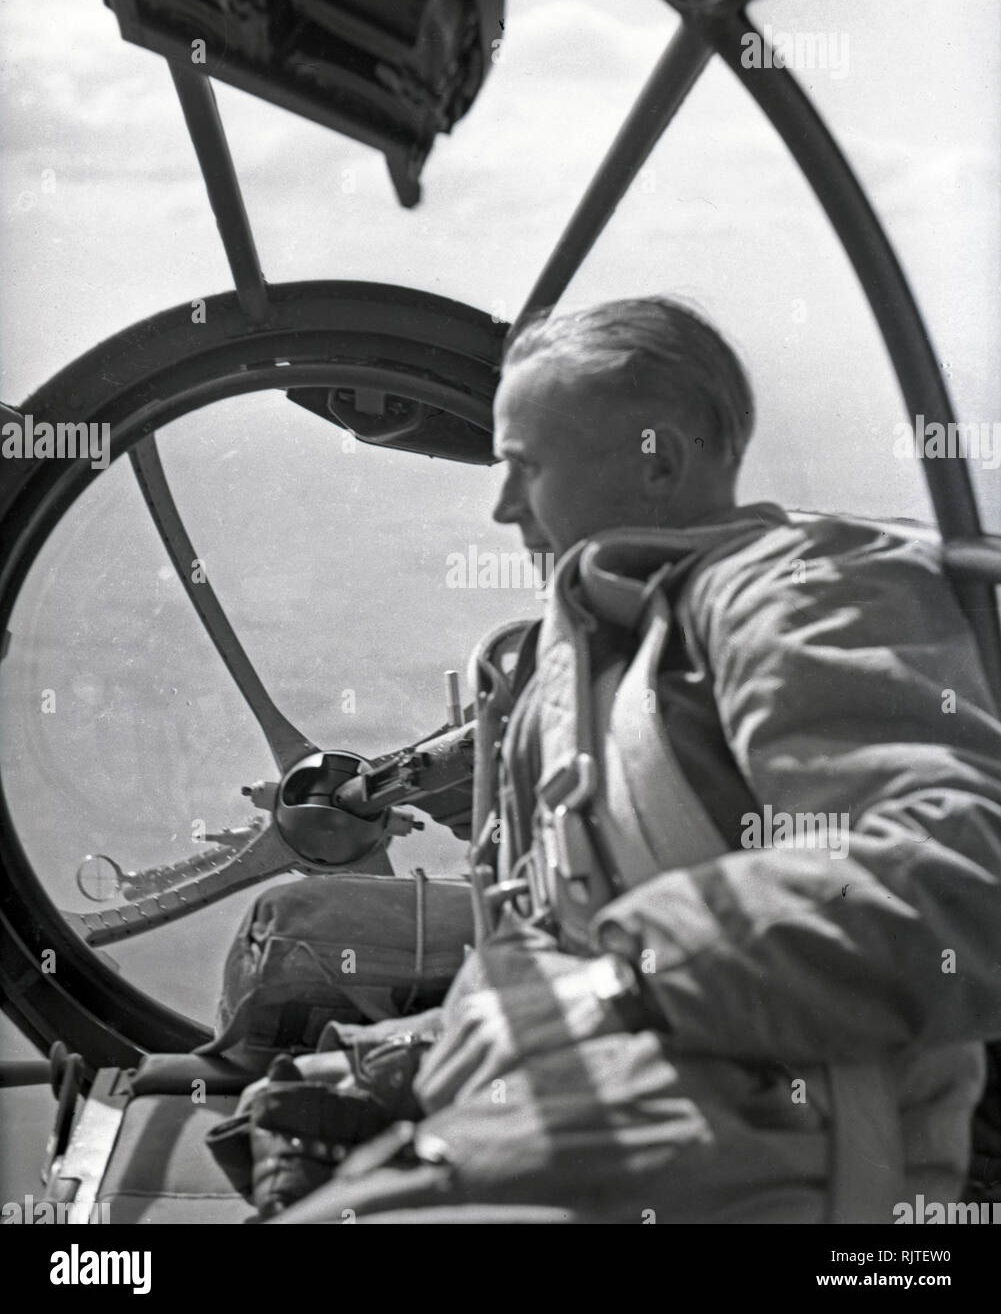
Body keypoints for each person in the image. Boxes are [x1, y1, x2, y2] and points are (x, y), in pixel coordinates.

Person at [224, 296, 1001, 1224]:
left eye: (525, 467)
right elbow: (563, 945)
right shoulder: (603, 645)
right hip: (657, 1111)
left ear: (658, 461)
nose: (502, 503)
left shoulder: (799, 596)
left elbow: (961, 878)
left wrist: (626, 981)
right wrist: (414, 1061)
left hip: (780, 1160)